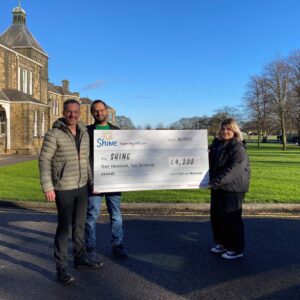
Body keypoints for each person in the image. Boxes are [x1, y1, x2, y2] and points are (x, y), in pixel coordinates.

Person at [39, 99, 103, 285]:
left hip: (82, 186)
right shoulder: (54, 134)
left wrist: (92, 182)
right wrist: (48, 186)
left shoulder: (84, 132)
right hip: (64, 188)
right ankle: (61, 269)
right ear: (64, 112)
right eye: (69, 111)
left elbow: (86, 160)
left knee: (80, 226)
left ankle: (80, 258)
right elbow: (44, 161)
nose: (72, 115)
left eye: (75, 112)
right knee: (64, 228)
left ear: (80, 113)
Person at [85, 100, 128, 259]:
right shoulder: (87, 131)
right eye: (96, 111)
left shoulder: (116, 131)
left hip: (113, 181)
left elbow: (124, 157)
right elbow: (85, 157)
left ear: (107, 111)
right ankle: (89, 247)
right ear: (92, 113)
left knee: (116, 215)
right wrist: (91, 180)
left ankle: (118, 244)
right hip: (94, 182)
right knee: (91, 216)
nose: (99, 113)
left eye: (102, 110)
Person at [209, 118, 250, 260]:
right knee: (217, 217)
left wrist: (215, 182)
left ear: (235, 131)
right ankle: (222, 243)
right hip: (218, 187)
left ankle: (236, 248)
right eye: (223, 129)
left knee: (232, 219)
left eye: (229, 129)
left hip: (233, 189)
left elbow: (233, 170)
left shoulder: (238, 148)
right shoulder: (216, 146)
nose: (225, 132)